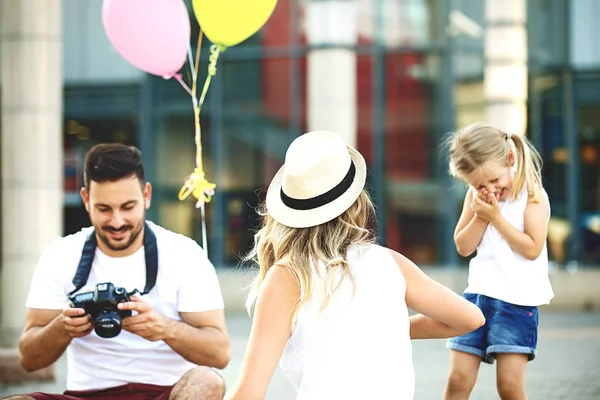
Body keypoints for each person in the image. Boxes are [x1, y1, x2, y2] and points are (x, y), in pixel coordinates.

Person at [224, 131, 485, 400]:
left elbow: (248, 394)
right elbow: (471, 318)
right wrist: (383, 327)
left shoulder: (288, 278)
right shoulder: (390, 263)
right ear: (356, 203)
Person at [5, 144, 230, 400]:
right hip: (86, 395)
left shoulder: (184, 254)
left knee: (207, 382)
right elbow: (29, 359)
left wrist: (165, 328)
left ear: (146, 195)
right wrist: (63, 327)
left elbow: (220, 354)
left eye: (127, 206)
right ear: (86, 200)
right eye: (104, 209)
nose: (117, 221)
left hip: (166, 394)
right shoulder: (60, 255)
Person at [443, 122, 555, 400]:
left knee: (509, 387)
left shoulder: (532, 194)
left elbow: (532, 248)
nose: (490, 189)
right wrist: (481, 215)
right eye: (479, 184)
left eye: (494, 180)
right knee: (458, 380)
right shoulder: (476, 196)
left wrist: (496, 218)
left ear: (510, 159)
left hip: (517, 302)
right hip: (478, 295)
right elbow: (463, 246)